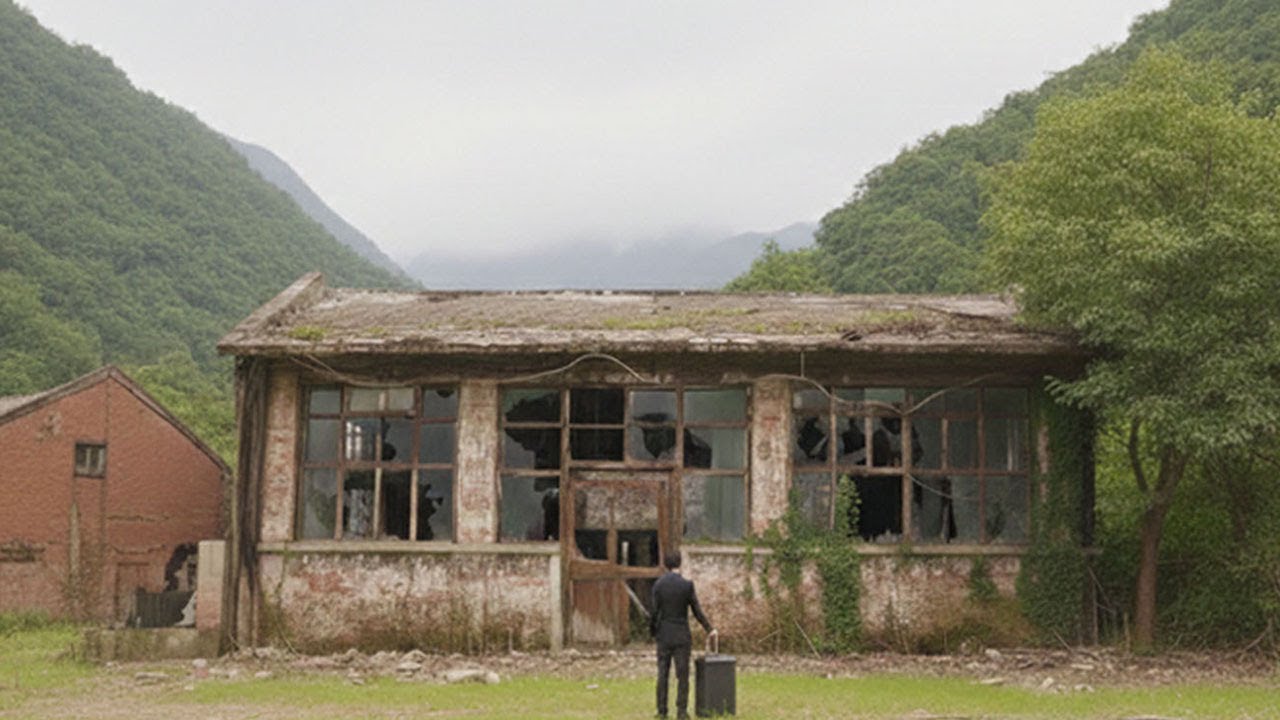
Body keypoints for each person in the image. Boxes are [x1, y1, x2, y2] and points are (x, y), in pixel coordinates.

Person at [650, 550, 714, 719]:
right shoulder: (687, 585)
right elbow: (696, 610)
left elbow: (654, 612)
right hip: (681, 635)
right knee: (682, 674)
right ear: (680, 563)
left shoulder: (658, 585)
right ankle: (682, 711)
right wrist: (709, 629)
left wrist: (653, 632)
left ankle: (662, 711)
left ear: (665, 564)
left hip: (664, 633)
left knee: (662, 673)